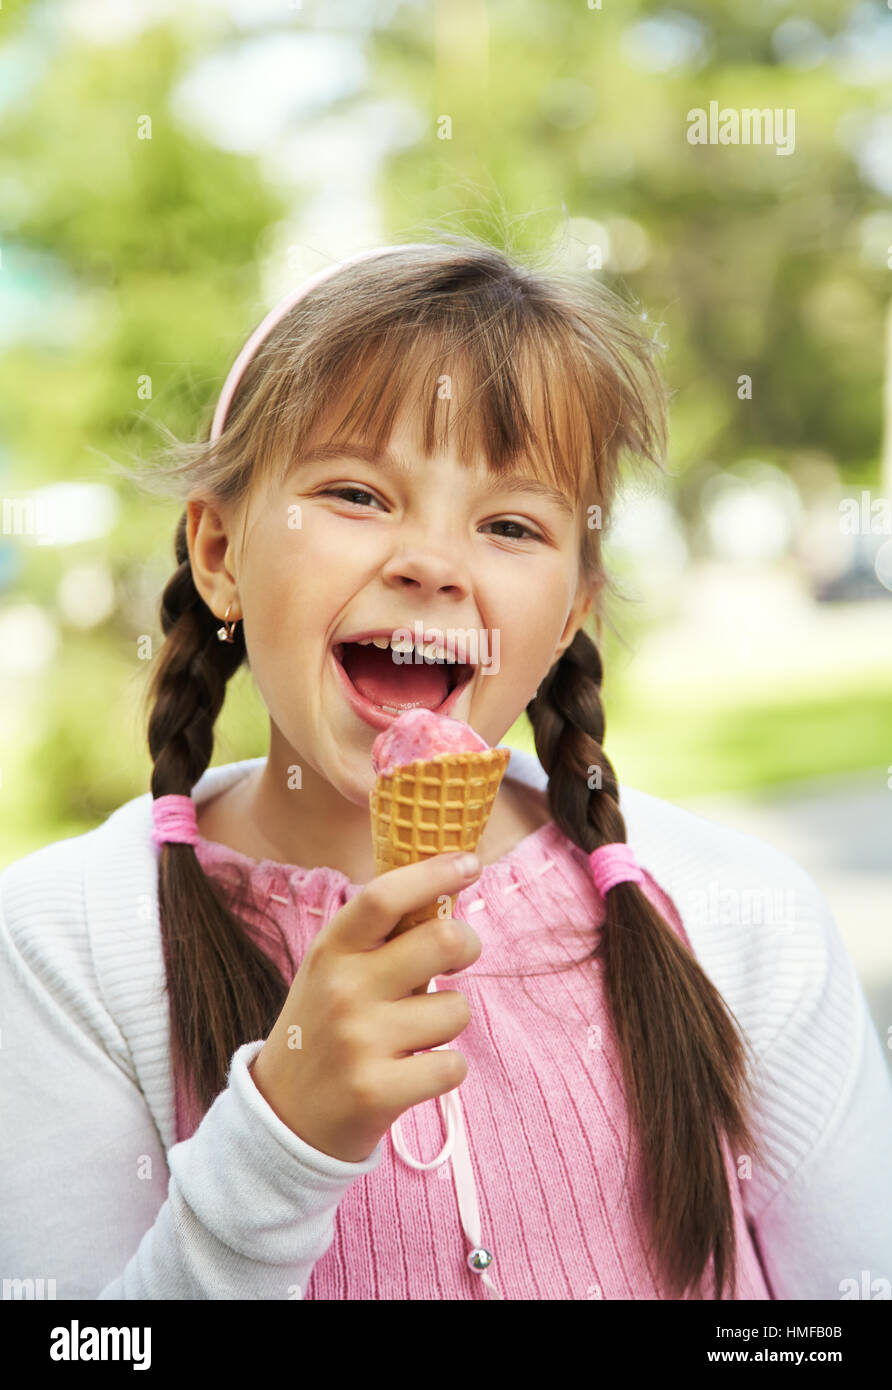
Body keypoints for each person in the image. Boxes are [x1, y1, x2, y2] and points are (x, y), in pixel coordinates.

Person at [2, 239, 890, 1301]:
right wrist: (279, 1139)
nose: (431, 560)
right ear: (220, 551)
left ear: (569, 613)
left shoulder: (743, 918)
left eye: (510, 523)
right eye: (358, 495)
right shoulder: (70, 941)